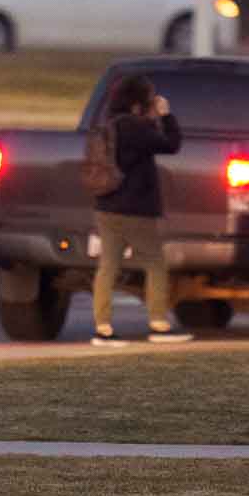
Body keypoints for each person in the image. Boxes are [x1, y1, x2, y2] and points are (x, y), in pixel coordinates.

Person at [89, 74, 191, 347]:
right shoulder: (138, 128)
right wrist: (166, 115)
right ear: (137, 104)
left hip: (106, 206)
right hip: (135, 210)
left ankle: (103, 328)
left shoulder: (109, 126)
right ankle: (158, 323)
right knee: (155, 264)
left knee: (107, 266)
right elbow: (172, 144)